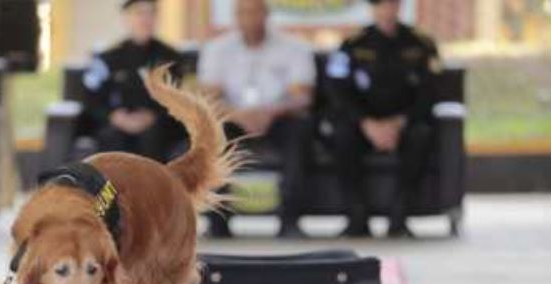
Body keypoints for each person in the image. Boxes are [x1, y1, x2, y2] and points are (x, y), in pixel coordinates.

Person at [198, 0, 316, 239]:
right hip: (231, 117)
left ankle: (289, 220)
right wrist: (239, 115)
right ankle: (218, 223)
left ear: (266, 14)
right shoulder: (217, 49)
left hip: (280, 116)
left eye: (255, 11)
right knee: (211, 133)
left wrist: (270, 112)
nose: (249, 18)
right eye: (243, 12)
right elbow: (208, 99)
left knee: (301, 131)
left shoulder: (294, 47)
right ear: (235, 16)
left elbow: (303, 98)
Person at [326, 0, 440, 237]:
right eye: (381, 5)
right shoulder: (353, 44)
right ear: (373, 8)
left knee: (422, 135)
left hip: (404, 122)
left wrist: (399, 123)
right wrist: (367, 123)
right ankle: (356, 216)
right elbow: (337, 90)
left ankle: (400, 216)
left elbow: (430, 92)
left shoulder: (420, 43)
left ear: (399, 7)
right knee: (342, 134)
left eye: (391, 4)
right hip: (364, 122)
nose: (387, 10)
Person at [82, 0, 184, 162]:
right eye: (139, 13)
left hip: (157, 124)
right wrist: (114, 116)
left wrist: (152, 116)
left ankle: (153, 187)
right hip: (117, 122)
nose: (145, 19)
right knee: (110, 139)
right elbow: (91, 97)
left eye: (151, 13)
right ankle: (111, 188)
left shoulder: (171, 57)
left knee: (155, 136)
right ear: (126, 18)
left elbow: (179, 96)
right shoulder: (107, 58)